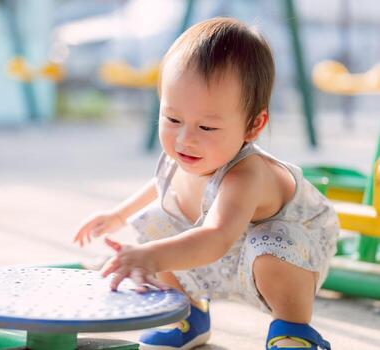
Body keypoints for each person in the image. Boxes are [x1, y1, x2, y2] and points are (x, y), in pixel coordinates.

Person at [74, 17, 338, 350]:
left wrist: (151, 258)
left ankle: (293, 330)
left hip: (292, 252)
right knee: (156, 222)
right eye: (172, 119)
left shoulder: (247, 174)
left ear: (254, 126)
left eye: (207, 128)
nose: (185, 139)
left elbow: (216, 238)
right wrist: (119, 214)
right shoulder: (185, 154)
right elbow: (163, 185)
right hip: (227, 246)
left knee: (268, 245)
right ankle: (190, 315)